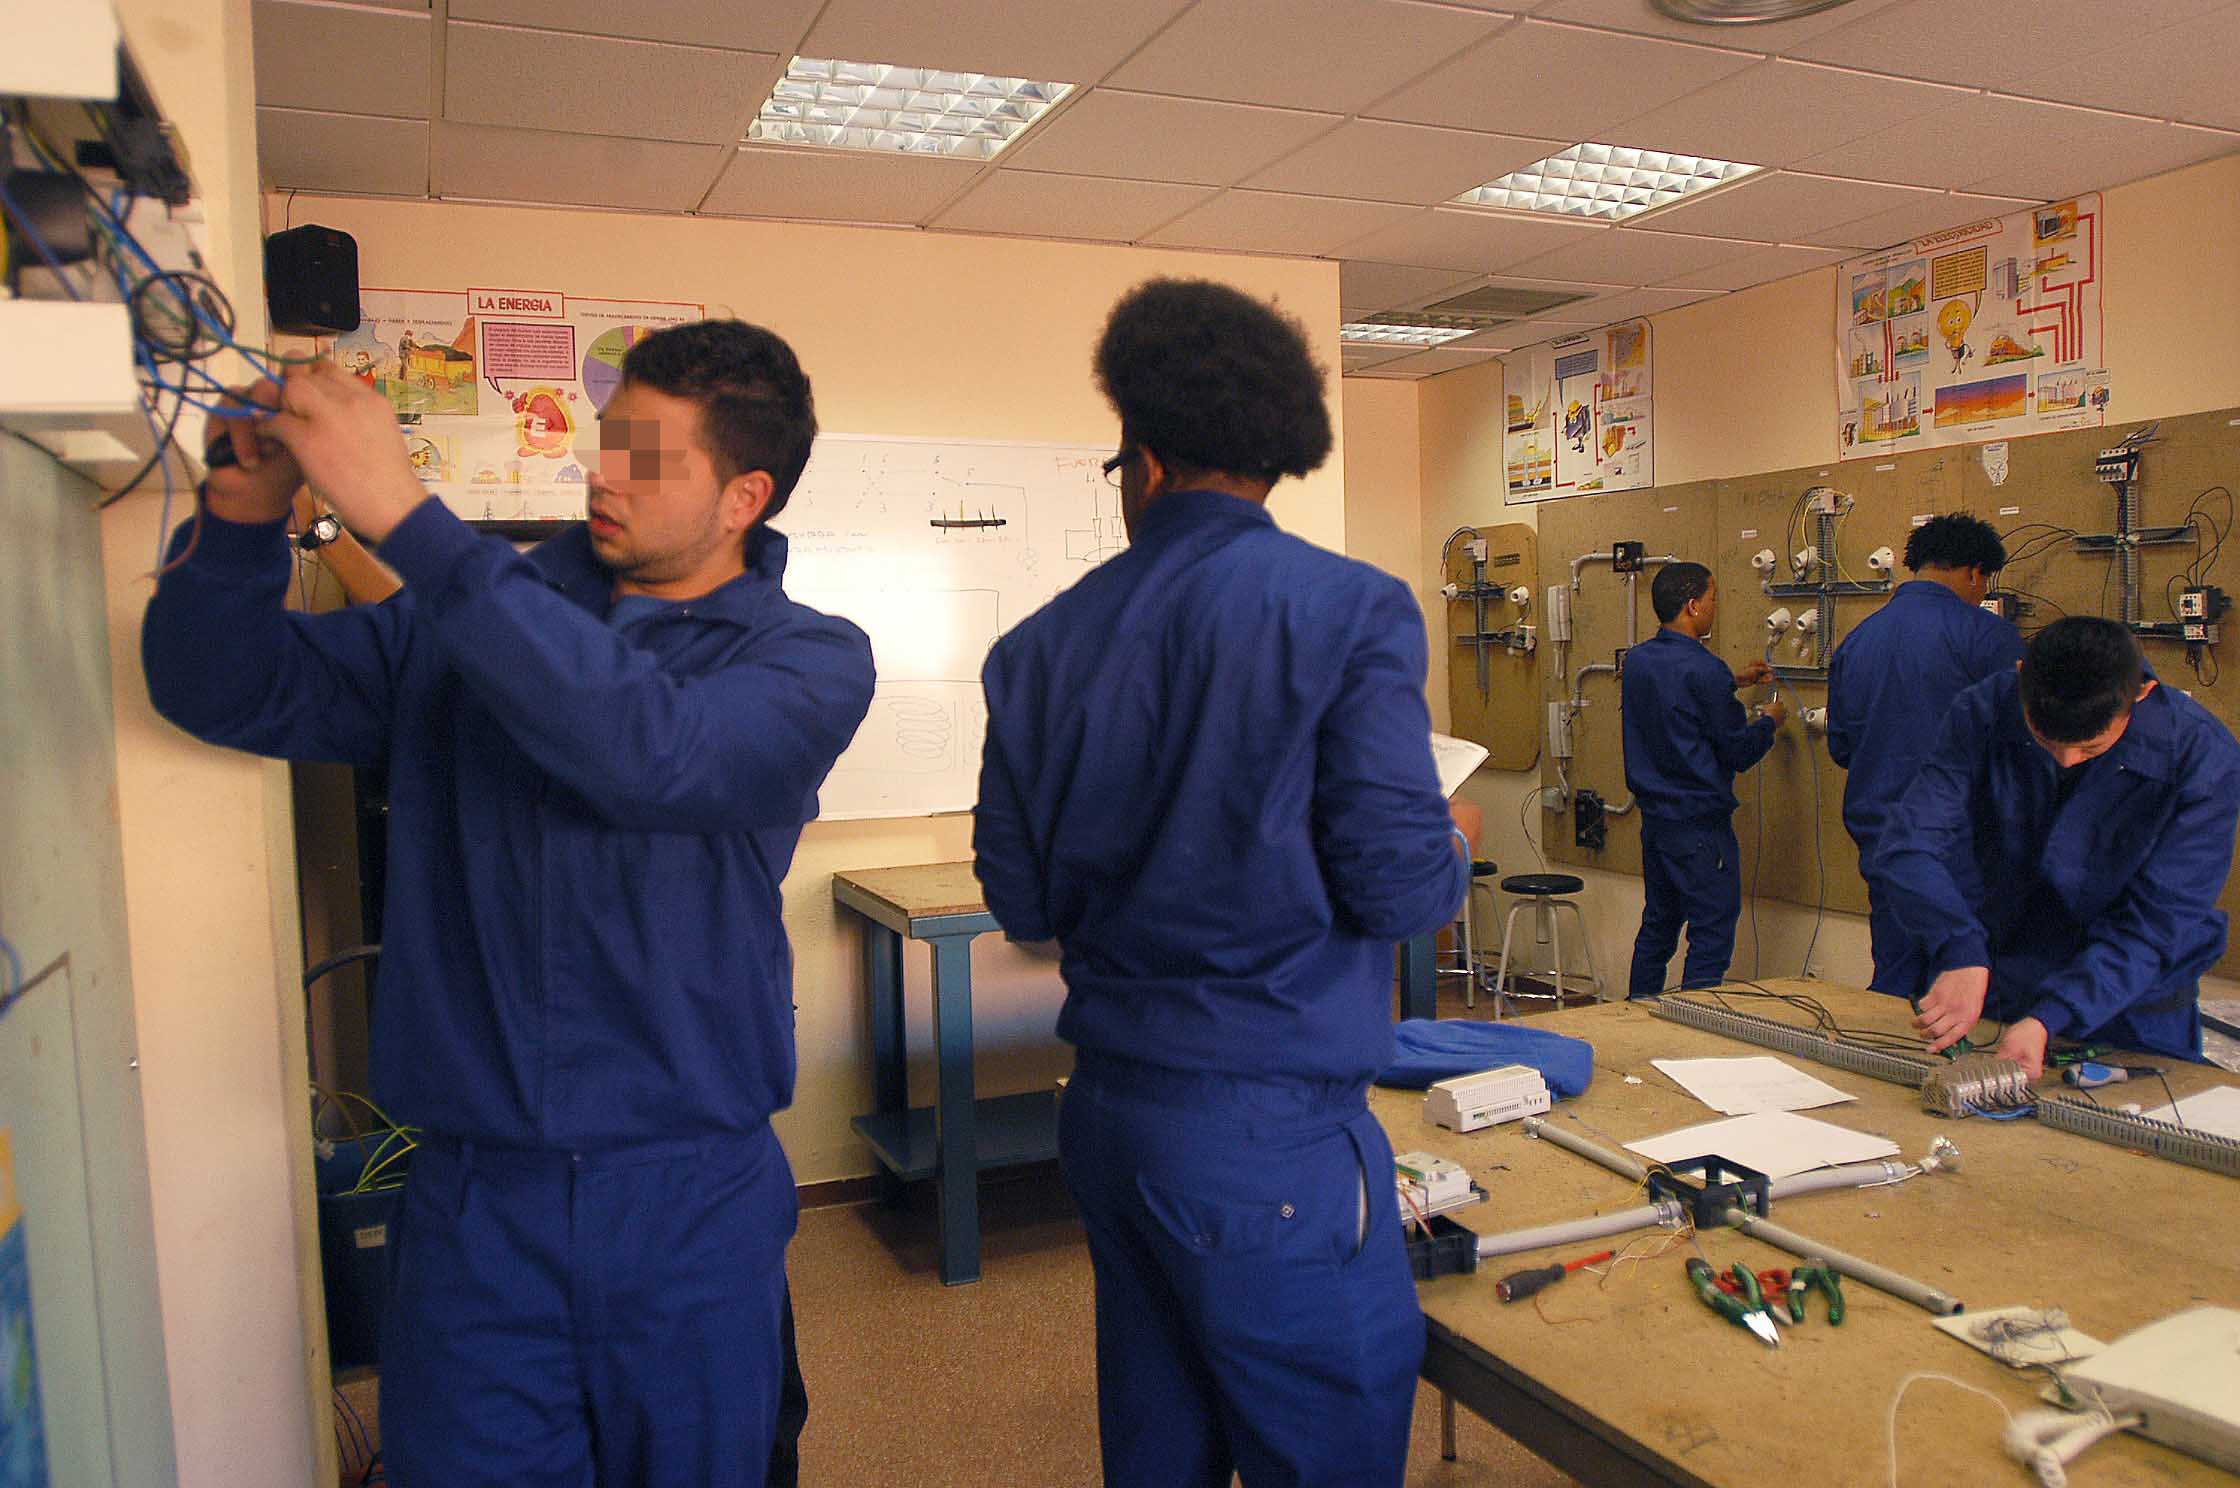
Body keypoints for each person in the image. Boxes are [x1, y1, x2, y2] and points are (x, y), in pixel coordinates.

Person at [141, 321, 873, 1487]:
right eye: (608, 441)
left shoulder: (806, 662)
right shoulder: (462, 625)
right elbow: (219, 687)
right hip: (478, 1205)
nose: (604, 472)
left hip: (686, 1201)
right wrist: (236, 517)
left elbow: (650, 752)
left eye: (647, 456)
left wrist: (402, 514)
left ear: (745, 497)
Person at [973, 277, 1467, 1487]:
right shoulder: (1349, 611)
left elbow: (1022, 906)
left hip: (1109, 1120)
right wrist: (1446, 843)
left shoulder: (1033, 650)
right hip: (1270, 1142)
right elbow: (1400, 894)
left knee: (1159, 1446)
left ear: (1143, 461)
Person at [1874, 617, 2240, 1075]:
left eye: (2090, 749)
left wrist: (2053, 1014)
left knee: (2140, 1115)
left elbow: (2159, 919)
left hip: (2132, 999)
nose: (2066, 760)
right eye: (2045, 740)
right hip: (1999, 976)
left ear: (2142, 695)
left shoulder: (2200, 757)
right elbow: (1909, 845)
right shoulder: (1982, 711)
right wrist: (1959, 948)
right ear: (2021, 675)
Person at [1825, 513, 2023, 998]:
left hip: (1882, 836)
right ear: (1974, 573)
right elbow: (2020, 745)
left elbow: (1841, 746)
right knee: (1963, 984)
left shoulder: (1858, 640)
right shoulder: (1988, 637)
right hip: (1962, 843)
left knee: (1895, 978)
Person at [1620, 562, 1785, 998]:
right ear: (1693, 606)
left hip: (1657, 823)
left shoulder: (1638, 661)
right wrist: (1769, 722)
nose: (1715, 607)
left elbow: (1677, 693)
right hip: (1700, 828)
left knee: (1658, 926)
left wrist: (1733, 680)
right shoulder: (1704, 670)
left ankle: (1632, 1015)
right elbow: (1738, 752)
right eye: (1713, 599)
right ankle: (1693, 1026)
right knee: (1711, 933)